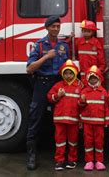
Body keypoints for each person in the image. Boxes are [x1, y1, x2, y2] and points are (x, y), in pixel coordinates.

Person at [25, 15, 70, 170]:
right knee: (35, 117)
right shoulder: (39, 46)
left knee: (61, 119)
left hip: (58, 84)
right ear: (47, 27)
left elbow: (67, 66)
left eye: (58, 26)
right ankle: (31, 155)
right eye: (53, 26)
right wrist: (45, 57)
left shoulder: (64, 46)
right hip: (42, 84)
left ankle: (63, 155)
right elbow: (29, 68)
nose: (56, 29)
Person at [47, 60, 81, 171]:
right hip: (60, 120)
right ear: (63, 74)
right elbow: (49, 97)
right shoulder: (58, 85)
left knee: (73, 141)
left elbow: (83, 105)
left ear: (75, 73)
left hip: (74, 120)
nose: (68, 75)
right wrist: (58, 95)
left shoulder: (80, 85)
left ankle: (72, 160)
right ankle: (59, 160)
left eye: (71, 73)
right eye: (66, 73)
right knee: (60, 141)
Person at [79, 65, 109, 171]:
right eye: (91, 78)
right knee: (88, 142)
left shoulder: (103, 92)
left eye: (95, 78)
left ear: (99, 78)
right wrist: (82, 101)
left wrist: (107, 120)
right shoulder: (84, 92)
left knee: (99, 142)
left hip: (99, 124)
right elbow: (80, 107)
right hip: (87, 123)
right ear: (88, 79)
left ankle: (99, 161)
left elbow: (107, 107)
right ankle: (89, 161)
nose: (93, 80)